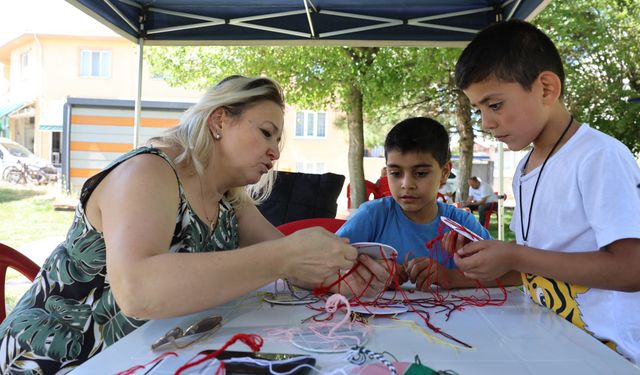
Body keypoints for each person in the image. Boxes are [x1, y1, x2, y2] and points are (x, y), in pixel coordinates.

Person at [0, 76, 390, 372]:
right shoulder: (149, 171)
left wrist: (345, 269)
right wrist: (283, 257)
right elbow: (137, 289)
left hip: (146, 356)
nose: (275, 150)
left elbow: (294, 265)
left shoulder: (229, 199)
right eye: (266, 132)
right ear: (219, 120)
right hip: (55, 358)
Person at [453, 20, 640, 364]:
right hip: (549, 337)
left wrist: (513, 255)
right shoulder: (524, 171)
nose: (486, 122)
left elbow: (632, 270)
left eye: (494, 105)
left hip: (608, 354)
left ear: (546, 89)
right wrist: (478, 266)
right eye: (478, 109)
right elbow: (536, 266)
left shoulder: (599, 156)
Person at [337, 117, 520, 291]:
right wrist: (370, 272)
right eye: (395, 173)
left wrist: (450, 277)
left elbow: (515, 275)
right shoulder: (373, 215)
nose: (406, 184)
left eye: (421, 173)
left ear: (444, 172)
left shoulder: (460, 223)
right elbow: (323, 264)